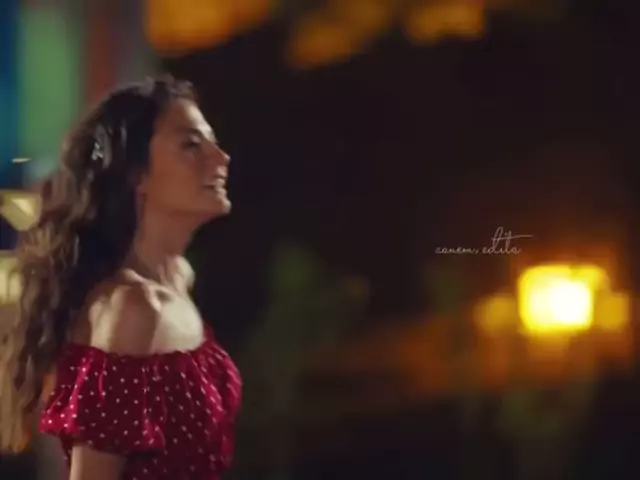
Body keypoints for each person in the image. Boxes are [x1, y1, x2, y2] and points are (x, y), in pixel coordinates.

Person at [0, 77, 242, 479]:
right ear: (136, 174)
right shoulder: (133, 309)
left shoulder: (180, 278)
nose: (221, 158)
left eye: (214, 143)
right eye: (191, 145)